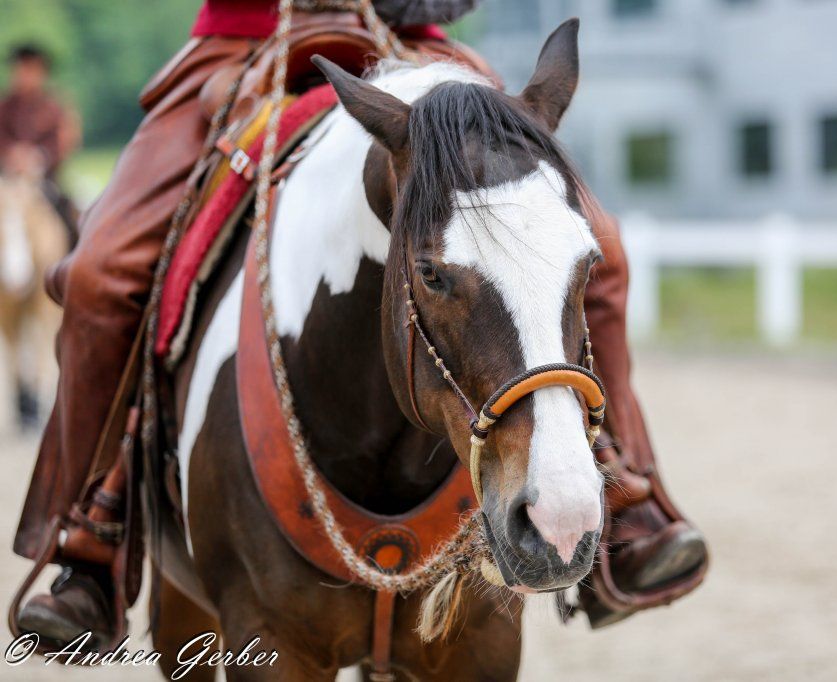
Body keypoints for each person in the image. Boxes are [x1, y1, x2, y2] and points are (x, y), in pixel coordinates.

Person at [13, 0, 708, 646]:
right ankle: (92, 537)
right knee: (99, 271)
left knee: (599, 250)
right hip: (246, 38)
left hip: (412, 37)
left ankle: (621, 493)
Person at [0, 44, 81, 242]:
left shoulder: (55, 108)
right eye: (21, 69)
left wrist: (39, 157)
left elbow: (65, 142)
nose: (24, 76)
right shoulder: (5, 107)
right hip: (6, 178)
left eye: (31, 70)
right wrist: (11, 155)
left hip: (44, 180)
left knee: (71, 220)